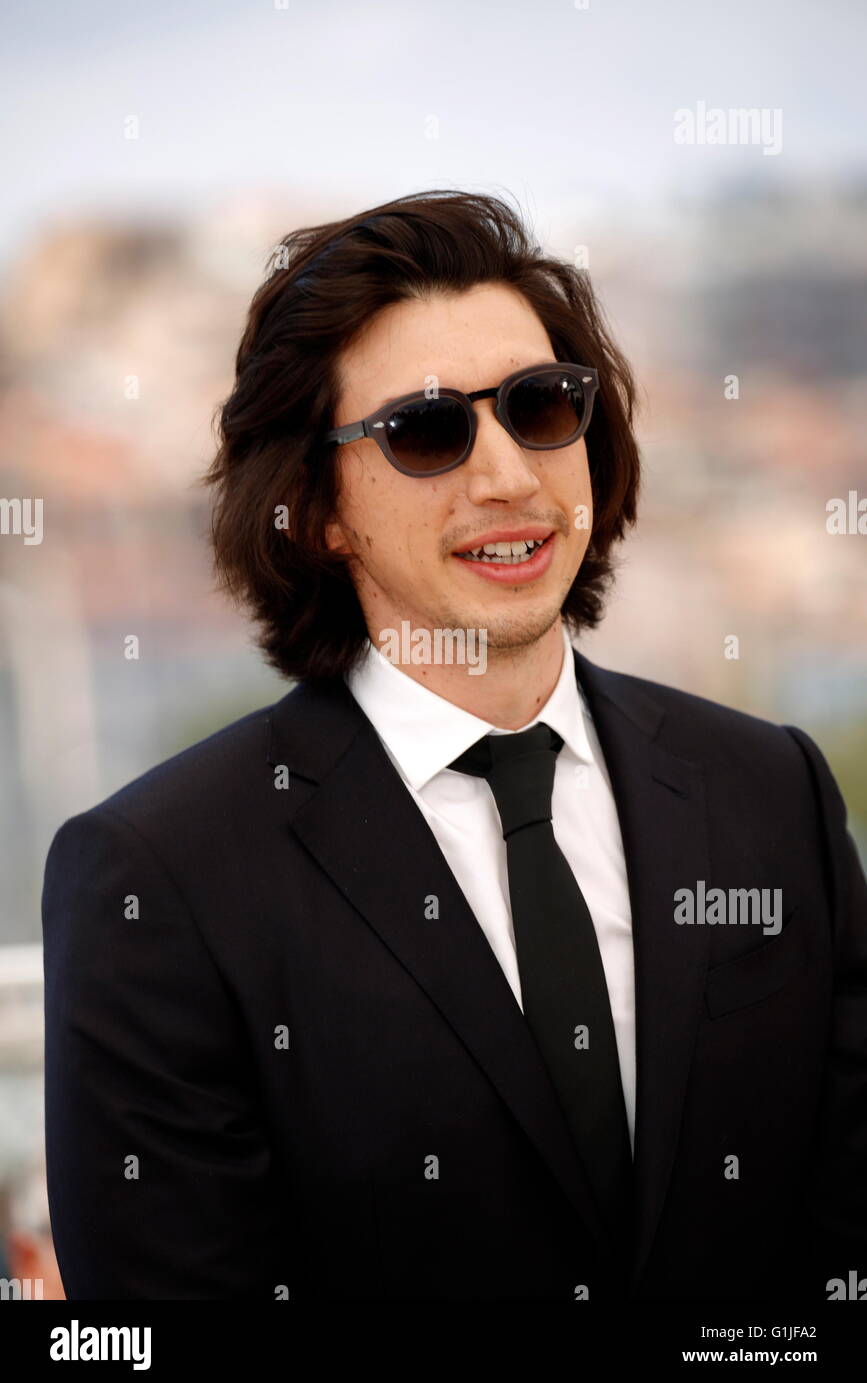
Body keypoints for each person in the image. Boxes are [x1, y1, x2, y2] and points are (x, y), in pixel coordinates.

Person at [42, 190, 867, 1301]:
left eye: (541, 407)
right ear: (318, 504)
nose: (509, 477)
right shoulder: (162, 876)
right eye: (427, 430)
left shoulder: (773, 792)